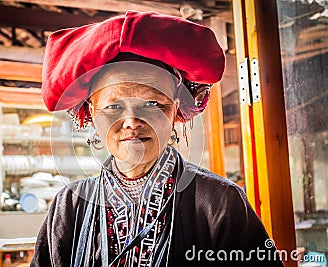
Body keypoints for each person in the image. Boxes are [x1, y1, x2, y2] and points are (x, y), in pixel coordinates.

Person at [31, 11, 284, 266]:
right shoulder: (70, 206)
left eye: (152, 104)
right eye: (114, 107)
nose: (131, 121)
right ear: (92, 113)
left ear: (175, 110)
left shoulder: (219, 202)